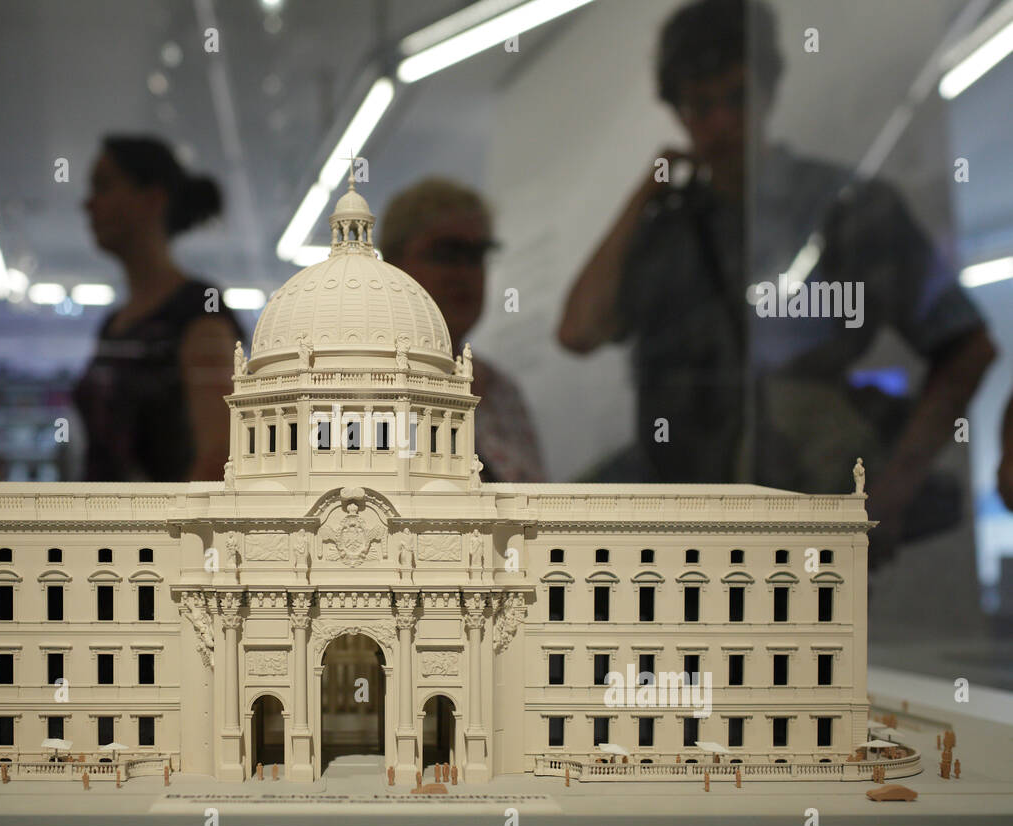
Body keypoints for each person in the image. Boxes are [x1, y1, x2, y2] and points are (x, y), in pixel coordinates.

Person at [556, 0, 994, 563]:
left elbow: (966, 347)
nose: (720, 123)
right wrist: (644, 194)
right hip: (674, 510)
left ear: (768, 90)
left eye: (736, 97)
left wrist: (893, 490)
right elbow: (579, 331)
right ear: (678, 112)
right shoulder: (665, 227)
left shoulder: (846, 208)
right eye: (700, 105)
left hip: (795, 500)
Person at [73, 135, 241, 482]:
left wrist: (173, 536)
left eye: (104, 186)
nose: (88, 204)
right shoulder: (114, 324)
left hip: (156, 532)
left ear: (153, 199)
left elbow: (220, 456)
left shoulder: (198, 311)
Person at [380, 178, 545, 483]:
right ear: (392, 265)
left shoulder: (500, 390)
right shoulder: (359, 382)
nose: (464, 273)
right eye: (446, 253)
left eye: (476, 255)